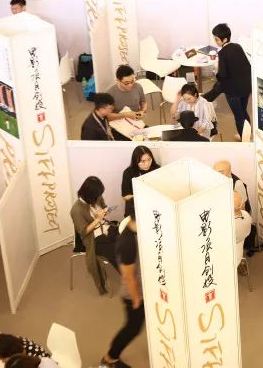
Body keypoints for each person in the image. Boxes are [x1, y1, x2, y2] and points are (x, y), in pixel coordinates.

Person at [100, 205, 144, 368]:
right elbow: (128, 276)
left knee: (134, 327)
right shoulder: (128, 242)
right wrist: (136, 300)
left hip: (142, 290)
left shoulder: (133, 231)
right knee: (132, 328)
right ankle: (109, 358)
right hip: (133, 294)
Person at [70, 176, 118, 295]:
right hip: (93, 238)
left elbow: (104, 207)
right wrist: (98, 219)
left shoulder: (96, 197)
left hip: (105, 227)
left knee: (125, 238)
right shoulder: (76, 210)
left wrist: (105, 211)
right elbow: (84, 231)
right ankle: (129, 277)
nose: (99, 197)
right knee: (115, 252)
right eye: (97, 196)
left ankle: (131, 269)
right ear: (89, 195)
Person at [203, 24, 251, 140]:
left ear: (224, 39)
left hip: (233, 91)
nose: (215, 42)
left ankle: (244, 139)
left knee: (238, 116)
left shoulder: (223, 53)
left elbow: (223, 75)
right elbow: (246, 66)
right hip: (246, 86)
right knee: (243, 112)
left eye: (216, 39)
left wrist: (216, 73)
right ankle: (247, 136)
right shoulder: (237, 46)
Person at [121, 146, 160, 216]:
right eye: (143, 161)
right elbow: (125, 196)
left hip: (153, 204)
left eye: (149, 159)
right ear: (136, 161)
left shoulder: (156, 168)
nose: (147, 164)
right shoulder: (128, 172)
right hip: (135, 206)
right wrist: (142, 196)